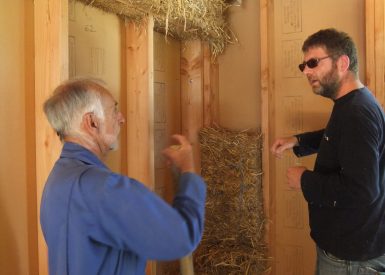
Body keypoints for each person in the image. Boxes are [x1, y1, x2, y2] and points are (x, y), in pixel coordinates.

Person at [40, 78, 206, 275]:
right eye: (113, 110)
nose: (121, 118)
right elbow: (183, 237)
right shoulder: (104, 188)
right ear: (92, 122)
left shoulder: (57, 181)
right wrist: (188, 170)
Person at [271, 28, 385, 274]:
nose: (307, 72)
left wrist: (305, 180)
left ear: (342, 63)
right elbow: (339, 138)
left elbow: (362, 191)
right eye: (304, 66)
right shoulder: (354, 103)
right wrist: (298, 141)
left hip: (350, 260)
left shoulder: (356, 113)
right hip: (352, 249)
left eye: (313, 63)